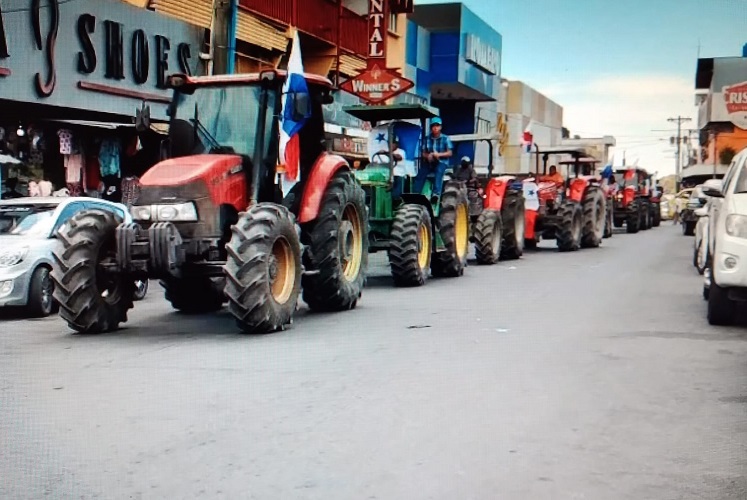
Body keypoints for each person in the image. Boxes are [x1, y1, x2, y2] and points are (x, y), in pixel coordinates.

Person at [414, 117, 453, 203]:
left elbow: (450, 153)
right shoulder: (427, 138)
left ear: (440, 127)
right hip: (430, 162)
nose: (435, 128)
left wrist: (438, 155)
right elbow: (423, 153)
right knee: (420, 173)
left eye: (437, 126)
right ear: (431, 127)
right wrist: (428, 156)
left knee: (439, 171)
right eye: (433, 126)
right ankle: (416, 195)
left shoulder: (445, 138)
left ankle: (436, 194)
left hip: (442, 162)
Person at [373, 136, 407, 200]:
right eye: (390, 143)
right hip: (387, 176)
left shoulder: (401, 152)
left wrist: (387, 153)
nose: (391, 145)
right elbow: (380, 163)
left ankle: (396, 202)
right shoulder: (385, 154)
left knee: (395, 195)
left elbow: (398, 157)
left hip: (399, 176)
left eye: (393, 143)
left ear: (397, 144)